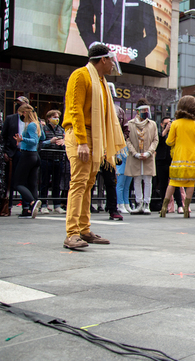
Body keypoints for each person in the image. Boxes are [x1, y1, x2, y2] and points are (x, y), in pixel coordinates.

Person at [62, 44, 126, 249]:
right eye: (111, 60)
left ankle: (84, 230)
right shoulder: (81, 75)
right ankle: (72, 233)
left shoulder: (101, 81)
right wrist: (81, 141)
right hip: (81, 135)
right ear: (103, 59)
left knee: (88, 183)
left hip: (94, 136)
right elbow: (75, 110)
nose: (113, 64)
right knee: (79, 183)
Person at [75, 0, 157, 67]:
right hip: (100, 64)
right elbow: (82, 20)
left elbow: (152, 37)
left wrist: (130, 54)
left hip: (131, 66)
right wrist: (95, 48)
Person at [159, 96, 195, 218]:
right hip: (193, 157)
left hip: (178, 156)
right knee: (190, 183)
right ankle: (186, 208)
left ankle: (164, 208)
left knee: (173, 182)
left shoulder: (175, 124)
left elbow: (169, 141)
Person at [125, 100, 158, 214]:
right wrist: (135, 153)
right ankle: (139, 203)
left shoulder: (152, 124)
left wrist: (149, 152)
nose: (145, 112)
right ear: (138, 111)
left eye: (147, 110)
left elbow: (155, 139)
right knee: (137, 179)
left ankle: (146, 204)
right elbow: (128, 140)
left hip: (148, 156)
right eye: (143, 110)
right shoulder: (130, 124)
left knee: (148, 180)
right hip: (136, 156)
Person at [13, 105, 45, 218]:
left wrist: (22, 139)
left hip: (28, 155)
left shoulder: (31, 125)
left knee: (17, 183)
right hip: (35, 156)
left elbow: (34, 141)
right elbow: (42, 137)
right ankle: (33, 208)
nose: (20, 116)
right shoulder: (37, 124)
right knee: (32, 184)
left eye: (21, 113)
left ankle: (32, 202)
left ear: (25, 113)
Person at [1, 96, 30, 216]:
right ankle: (8, 206)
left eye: (22, 104)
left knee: (26, 180)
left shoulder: (33, 120)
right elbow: (3, 136)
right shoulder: (10, 119)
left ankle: (26, 206)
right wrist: (4, 152)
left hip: (27, 152)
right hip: (14, 152)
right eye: (18, 104)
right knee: (10, 180)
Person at [39, 110, 66, 214]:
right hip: (46, 158)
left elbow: (66, 141)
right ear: (49, 118)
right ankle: (43, 204)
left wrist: (63, 142)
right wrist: (50, 141)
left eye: (58, 117)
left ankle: (57, 205)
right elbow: (40, 143)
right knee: (44, 183)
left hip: (58, 159)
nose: (56, 119)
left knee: (57, 183)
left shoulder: (61, 130)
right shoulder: (44, 129)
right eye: (54, 117)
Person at [155, 117, 184, 214]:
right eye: (166, 123)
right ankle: (165, 206)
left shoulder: (174, 134)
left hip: (172, 161)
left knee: (175, 184)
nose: (169, 125)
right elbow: (159, 141)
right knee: (163, 185)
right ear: (162, 124)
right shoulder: (159, 134)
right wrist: (166, 130)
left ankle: (180, 205)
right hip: (161, 161)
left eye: (170, 123)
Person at [115, 105, 133, 215]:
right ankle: (120, 203)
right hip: (121, 158)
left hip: (127, 158)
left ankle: (126, 203)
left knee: (126, 184)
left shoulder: (125, 139)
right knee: (121, 183)